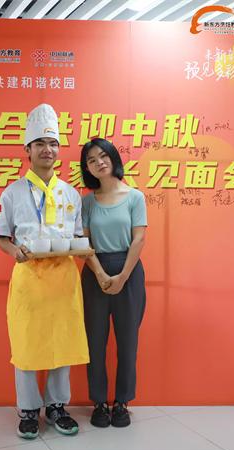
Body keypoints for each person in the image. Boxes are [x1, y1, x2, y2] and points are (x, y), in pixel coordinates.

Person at [0, 103, 89, 439]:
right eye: (40, 144)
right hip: (30, 280)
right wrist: (15, 252)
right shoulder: (13, 193)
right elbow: (2, 237)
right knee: (26, 345)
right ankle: (28, 410)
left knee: (62, 343)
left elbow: (77, 236)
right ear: (28, 150)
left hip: (63, 279)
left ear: (58, 150)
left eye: (53, 144)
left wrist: (80, 247)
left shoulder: (71, 194)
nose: (47, 150)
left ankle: (57, 406)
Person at [79, 137, 147, 428]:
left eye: (103, 156)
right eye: (91, 160)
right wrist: (100, 274)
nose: (99, 162)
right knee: (95, 342)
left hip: (128, 271)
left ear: (113, 158)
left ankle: (122, 402)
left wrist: (122, 276)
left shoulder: (135, 197)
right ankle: (99, 402)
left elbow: (139, 239)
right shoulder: (86, 201)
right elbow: (83, 242)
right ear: (87, 168)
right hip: (94, 270)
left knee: (128, 341)